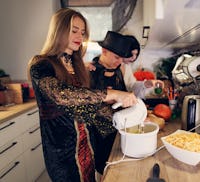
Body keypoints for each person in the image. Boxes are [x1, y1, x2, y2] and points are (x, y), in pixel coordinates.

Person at [27, 8, 137, 182]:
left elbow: (87, 109)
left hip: (87, 147)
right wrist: (112, 94)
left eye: (83, 32)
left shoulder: (78, 68)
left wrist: (130, 118)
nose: (80, 36)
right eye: (74, 30)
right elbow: (61, 95)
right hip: (62, 154)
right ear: (59, 30)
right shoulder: (41, 65)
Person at [88, 31, 134, 176]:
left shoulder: (118, 71)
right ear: (104, 51)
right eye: (116, 57)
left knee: (116, 171)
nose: (119, 62)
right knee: (102, 172)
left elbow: (124, 95)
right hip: (97, 135)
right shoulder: (90, 71)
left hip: (117, 131)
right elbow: (87, 104)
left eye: (121, 58)